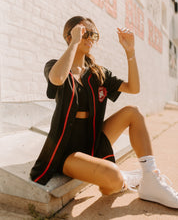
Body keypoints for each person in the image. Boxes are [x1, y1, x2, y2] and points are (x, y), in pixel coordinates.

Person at [30, 16, 178, 209]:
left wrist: (130, 52)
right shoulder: (56, 66)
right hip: (67, 151)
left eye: (95, 34)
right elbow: (57, 79)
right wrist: (75, 41)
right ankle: (124, 178)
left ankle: (150, 178)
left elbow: (133, 88)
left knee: (133, 112)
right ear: (70, 35)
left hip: (93, 140)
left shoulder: (98, 73)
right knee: (113, 180)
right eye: (86, 33)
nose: (91, 38)